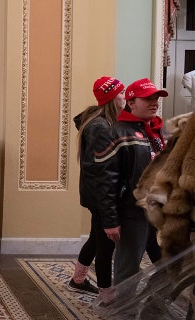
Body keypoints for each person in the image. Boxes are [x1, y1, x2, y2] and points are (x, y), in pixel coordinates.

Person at [94, 78, 167, 302]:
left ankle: (149, 309)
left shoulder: (154, 131)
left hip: (158, 212)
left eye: (156, 98)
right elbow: (106, 182)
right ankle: (122, 314)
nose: (154, 102)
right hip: (131, 213)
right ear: (131, 102)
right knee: (128, 272)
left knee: (169, 266)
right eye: (148, 98)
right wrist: (110, 220)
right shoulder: (115, 132)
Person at [68, 76, 126, 297]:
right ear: (111, 97)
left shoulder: (101, 122)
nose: (125, 96)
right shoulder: (101, 127)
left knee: (96, 237)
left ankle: (78, 279)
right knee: (105, 246)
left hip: (97, 194)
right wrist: (108, 201)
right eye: (121, 92)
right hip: (101, 195)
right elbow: (99, 169)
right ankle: (106, 295)